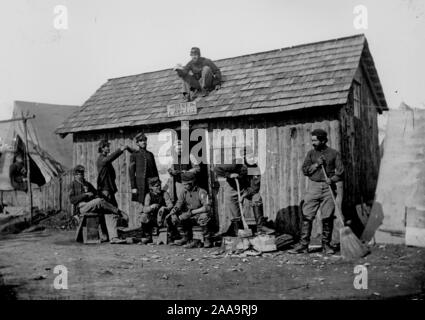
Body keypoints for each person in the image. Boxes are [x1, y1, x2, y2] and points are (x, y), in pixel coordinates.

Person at [289, 129, 344, 254]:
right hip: (313, 187)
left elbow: (341, 172)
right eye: (312, 140)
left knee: (327, 216)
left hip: (328, 188)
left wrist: (332, 179)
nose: (312, 143)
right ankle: (303, 245)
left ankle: (326, 245)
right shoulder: (311, 154)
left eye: (315, 140)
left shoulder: (334, 153)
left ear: (323, 140)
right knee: (307, 215)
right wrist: (316, 165)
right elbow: (305, 170)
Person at [69, 165, 128, 244]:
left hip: (92, 205)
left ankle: (113, 237)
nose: (81, 175)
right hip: (81, 207)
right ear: (75, 175)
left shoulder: (87, 184)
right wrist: (85, 195)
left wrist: (94, 195)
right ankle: (120, 212)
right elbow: (72, 200)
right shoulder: (72, 185)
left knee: (109, 212)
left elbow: (96, 194)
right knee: (99, 201)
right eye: (79, 174)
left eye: (82, 173)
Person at [168, 171, 212, 248]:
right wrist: (174, 211)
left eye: (186, 184)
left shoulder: (201, 192)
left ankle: (206, 239)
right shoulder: (184, 192)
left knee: (204, 217)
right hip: (189, 214)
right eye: (183, 184)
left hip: (198, 213)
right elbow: (179, 203)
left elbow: (207, 207)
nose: (184, 186)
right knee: (176, 217)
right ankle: (185, 237)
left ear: (192, 183)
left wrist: (192, 212)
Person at [239, 147, 274, 235]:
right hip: (236, 191)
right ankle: (236, 228)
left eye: (252, 157)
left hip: (248, 192)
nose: (251, 159)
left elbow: (255, 188)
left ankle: (260, 227)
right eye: (248, 157)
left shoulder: (255, 168)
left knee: (257, 198)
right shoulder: (237, 166)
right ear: (243, 157)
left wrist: (244, 195)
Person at [138, 177, 174, 244]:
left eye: (160, 185)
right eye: (156, 186)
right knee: (143, 217)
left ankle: (171, 236)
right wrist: (151, 207)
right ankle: (147, 236)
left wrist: (164, 208)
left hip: (163, 217)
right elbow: (145, 209)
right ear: (151, 188)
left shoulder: (164, 193)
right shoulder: (148, 195)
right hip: (154, 217)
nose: (159, 187)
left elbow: (170, 204)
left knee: (172, 217)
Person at [97, 139, 130, 207]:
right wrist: (120, 150)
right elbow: (110, 158)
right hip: (105, 189)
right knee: (109, 208)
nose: (109, 148)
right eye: (107, 146)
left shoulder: (105, 159)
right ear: (102, 148)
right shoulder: (101, 159)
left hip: (109, 188)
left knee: (114, 207)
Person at [129, 132, 159, 204]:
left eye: (144, 140)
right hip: (140, 185)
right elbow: (131, 173)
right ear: (137, 143)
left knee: (153, 202)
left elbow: (155, 171)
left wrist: (158, 183)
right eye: (141, 141)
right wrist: (133, 187)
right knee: (142, 204)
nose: (143, 142)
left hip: (151, 185)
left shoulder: (150, 154)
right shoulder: (134, 155)